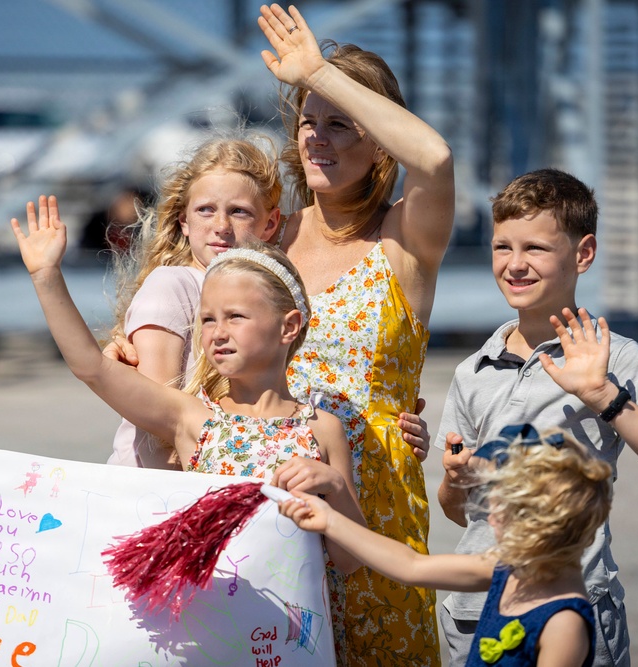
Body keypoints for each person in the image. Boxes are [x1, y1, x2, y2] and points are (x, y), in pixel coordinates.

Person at [435, 168, 638, 666]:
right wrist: (456, 480)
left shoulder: (615, 357)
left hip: (574, 606)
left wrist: (603, 394)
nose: (515, 264)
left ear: (583, 254)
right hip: (479, 610)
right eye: (502, 247)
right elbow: (460, 511)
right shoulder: (473, 370)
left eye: (535, 248)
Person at [11, 199, 367, 575]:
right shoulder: (193, 418)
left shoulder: (323, 429)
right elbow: (92, 367)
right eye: (208, 319)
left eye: (236, 316)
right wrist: (46, 275)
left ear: (288, 326)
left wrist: (336, 491)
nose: (218, 332)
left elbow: (348, 563)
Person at [258, 5, 455, 663]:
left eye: (340, 123)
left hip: (378, 516)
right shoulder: (270, 236)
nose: (317, 137)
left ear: (380, 145)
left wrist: (318, 73)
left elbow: (435, 158)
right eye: (307, 122)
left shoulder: (402, 239)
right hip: (275, 504)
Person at [278, 424, 613, 667]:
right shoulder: (512, 570)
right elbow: (411, 566)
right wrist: (329, 521)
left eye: (501, 510)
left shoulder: (564, 623)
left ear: (541, 524)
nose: (490, 517)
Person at [102, 137, 283, 469]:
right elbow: (157, 422)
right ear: (184, 221)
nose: (221, 227)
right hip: (166, 485)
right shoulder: (171, 285)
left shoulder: (269, 293)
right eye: (206, 210)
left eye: (239, 212)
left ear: (269, 224)